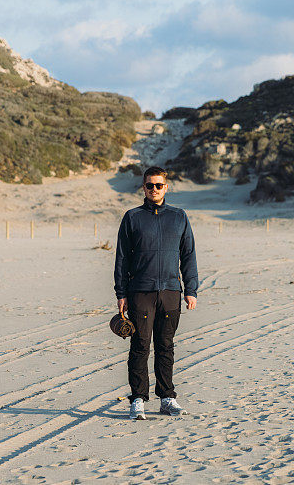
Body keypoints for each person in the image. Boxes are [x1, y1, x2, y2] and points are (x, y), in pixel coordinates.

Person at [114, 166, 198, 420]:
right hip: (141, 291)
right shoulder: (132, 217)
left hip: (171, 291)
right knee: (140, 346)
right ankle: (138, 399)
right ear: (143, 187)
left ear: (166, 187)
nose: (154, 190)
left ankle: (167, 398)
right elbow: (121, 258)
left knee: (166, 346)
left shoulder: (179, 216)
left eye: (158, 185)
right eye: (149, 185)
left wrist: (191, 289)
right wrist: (121, 292)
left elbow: (188, 255)